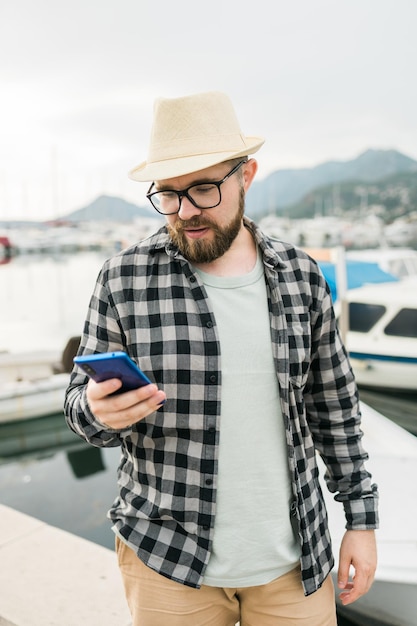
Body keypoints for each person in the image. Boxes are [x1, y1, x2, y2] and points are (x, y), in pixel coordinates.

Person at [64, 91, 378, 626]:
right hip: (165, 559)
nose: (185, 212)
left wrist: (362, 522)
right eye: (168, 194)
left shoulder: (301, 276)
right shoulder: (123, 277)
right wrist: (96, 411)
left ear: (246, 176)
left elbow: (335, 408)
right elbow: (78, 404)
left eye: (204, 189)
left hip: (294, 563)